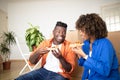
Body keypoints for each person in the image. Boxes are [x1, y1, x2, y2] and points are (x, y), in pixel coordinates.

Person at [72, 13, 119, 80]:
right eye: (80, 30)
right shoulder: (85, 43)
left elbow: (105, 71)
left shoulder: (105, 44)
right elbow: (82, 63)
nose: (80, 33)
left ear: (91, 29)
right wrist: (79, 55)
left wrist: (84, 55)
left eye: (82, 30)